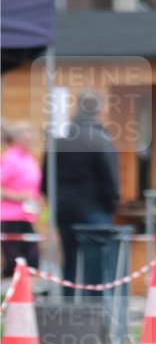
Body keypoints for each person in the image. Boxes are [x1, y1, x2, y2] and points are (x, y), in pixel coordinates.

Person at [43, 90, 119, 295]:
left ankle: (68, 307)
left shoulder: (58, 138)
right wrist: (112, 203)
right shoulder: (100, 138)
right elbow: (110, 177)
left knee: (70, 262)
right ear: (98, 109)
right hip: (94, 209)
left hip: (64, 208)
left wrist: (53, 201)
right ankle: (94, 312)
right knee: (95, 267)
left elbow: (46, 177)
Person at [1, 121, 41, 277]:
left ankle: (26, 296)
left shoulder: (29, 159)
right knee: (14, 261)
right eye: (26, 138)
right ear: (16, 139)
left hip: (27, 216)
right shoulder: (10, 159)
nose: (29, 141)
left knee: (33, 259)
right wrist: (17, 196)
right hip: (10, 217)